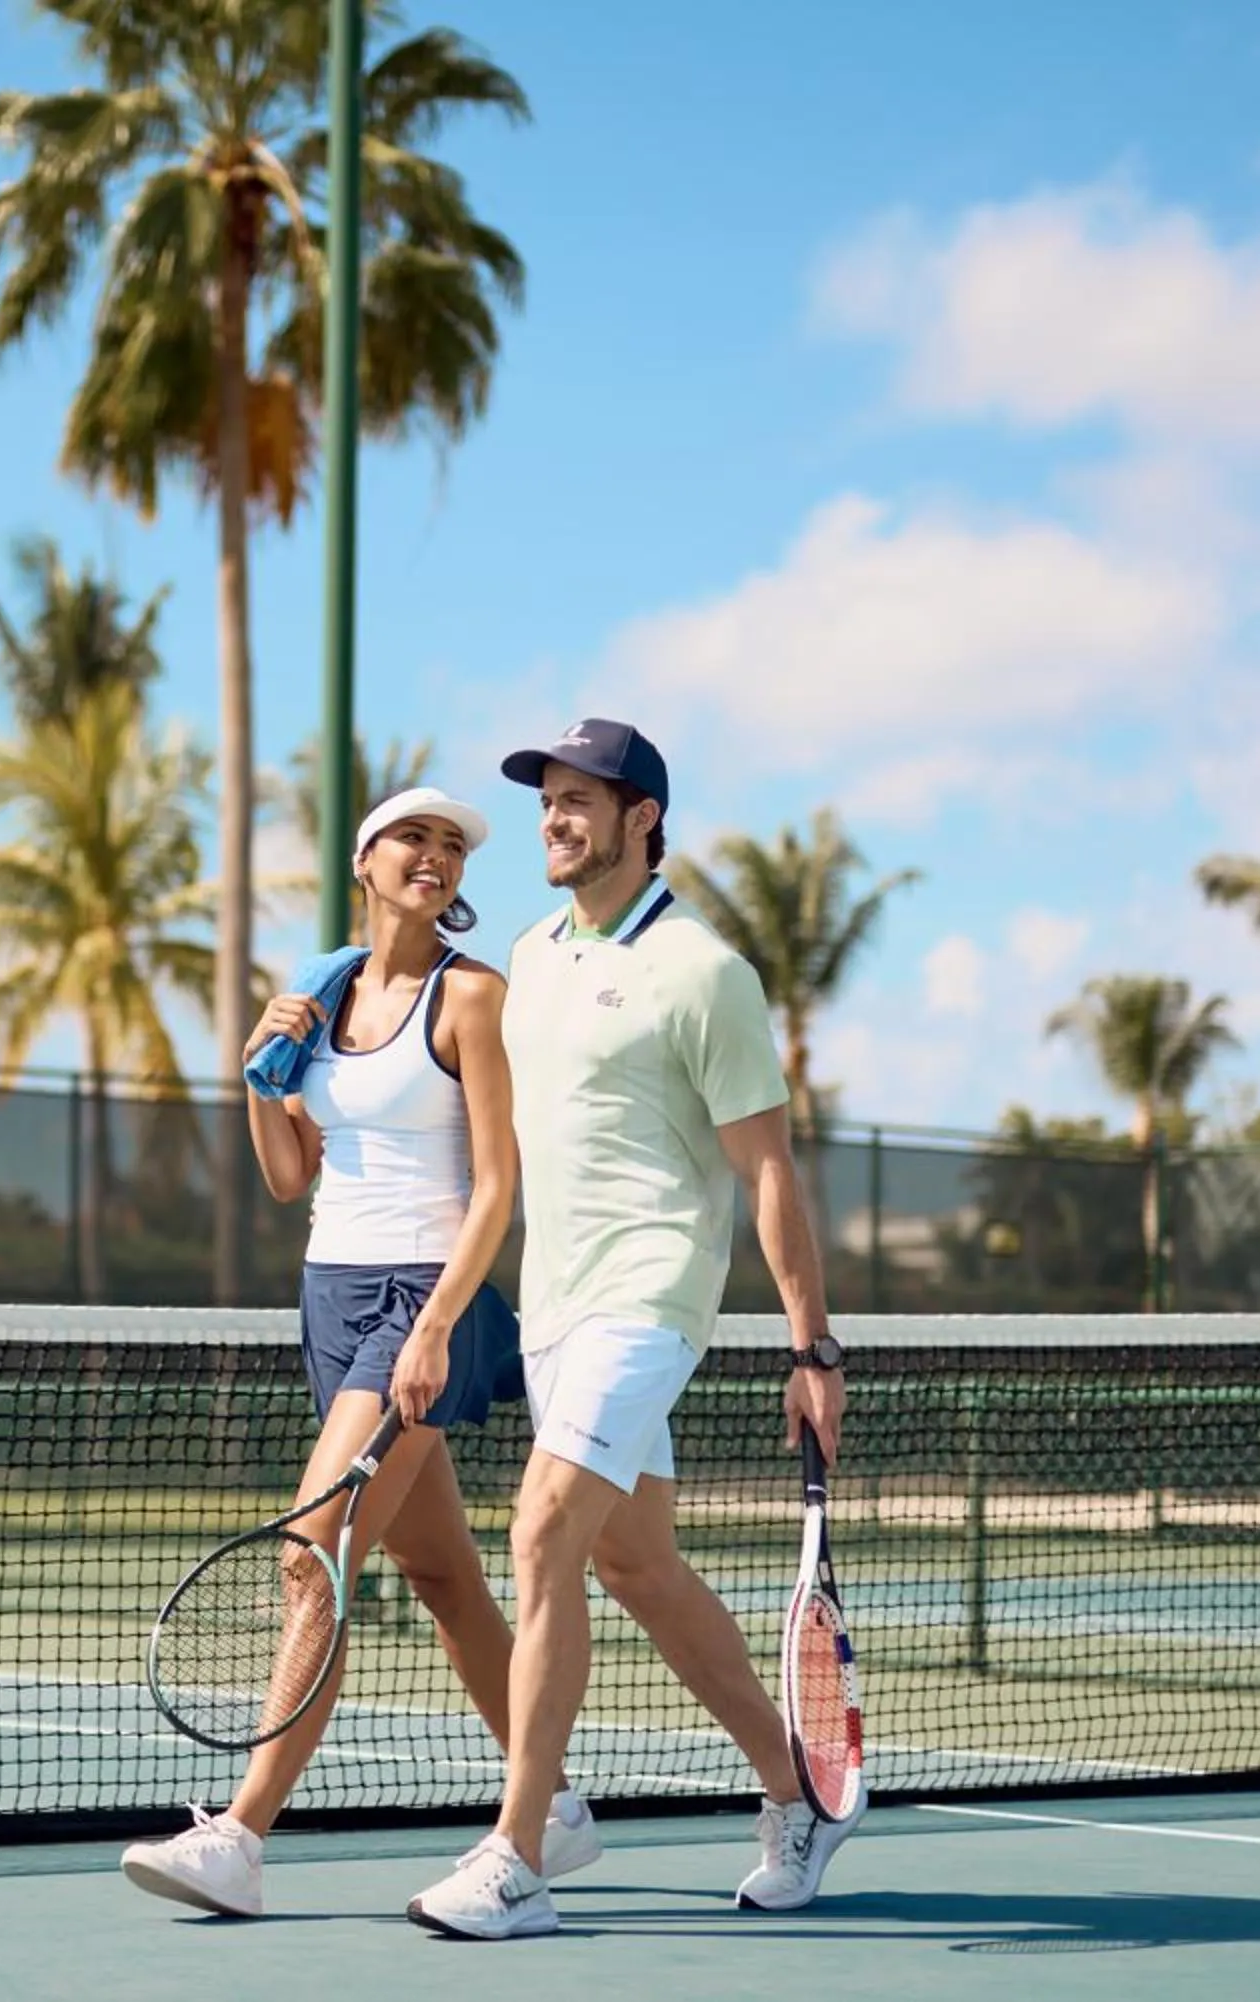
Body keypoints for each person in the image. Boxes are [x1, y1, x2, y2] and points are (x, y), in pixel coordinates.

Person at [403, 720, 856, 1941]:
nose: (555, 820)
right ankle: (799, 1791)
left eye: (579, 800)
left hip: (651, 1297)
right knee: (634, 1564)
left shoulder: (704, 972)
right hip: (552, 1307)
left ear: (641, 817)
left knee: (542, 1529)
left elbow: (767, 1171)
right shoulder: (532, 954)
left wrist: (811, 1346)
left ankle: (518, 1856)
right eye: (547, 800)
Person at [120, 786, 603, 1918]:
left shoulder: (471, 996)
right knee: (442, 1578)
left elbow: (498, 1186)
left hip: (427, 1301)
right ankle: (556, 1806)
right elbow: (291, 1174)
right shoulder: (323, 992)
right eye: (412, 839)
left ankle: (240, 1837)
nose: (435, 856)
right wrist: (260, 1076)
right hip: (331, 1298)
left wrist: (435, 1325)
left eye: (451, 846)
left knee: (314, 1553)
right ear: (365, 862)